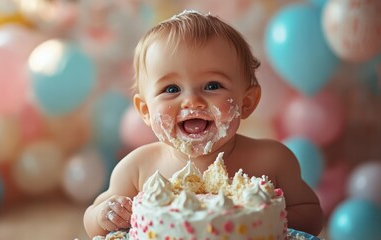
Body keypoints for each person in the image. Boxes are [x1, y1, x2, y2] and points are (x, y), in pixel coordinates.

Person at [84, 10, 323, 238]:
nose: (192, 101)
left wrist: (258, 219)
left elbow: (311, 214)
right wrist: (107, 215)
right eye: (171, 89)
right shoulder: (137, 168)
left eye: (212, 86)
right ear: (146, 111)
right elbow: (92, 219)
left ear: (247, 102)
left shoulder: (272, 160)